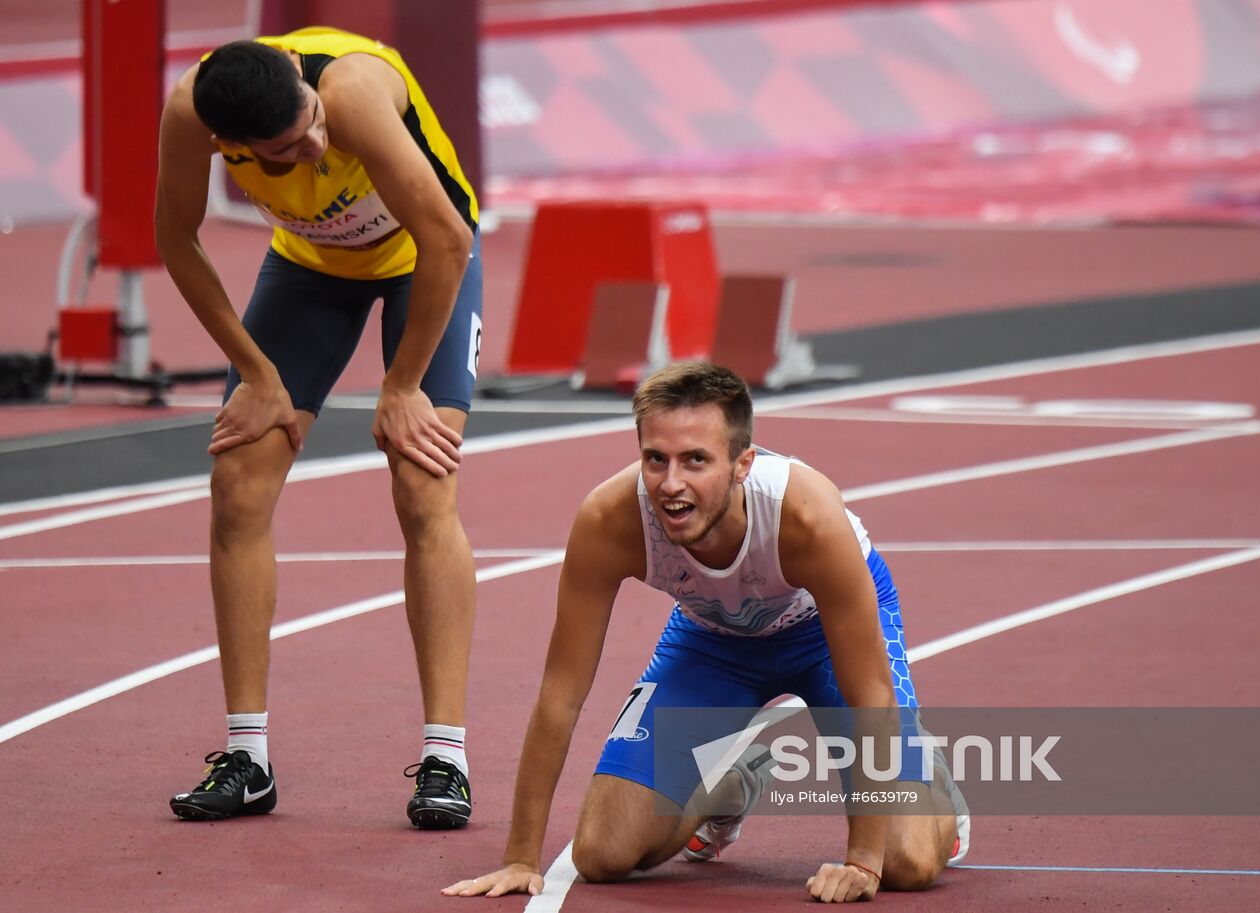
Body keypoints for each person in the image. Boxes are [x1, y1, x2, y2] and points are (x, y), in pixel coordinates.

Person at [442, 363, 970, 903]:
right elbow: (561, 691)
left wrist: (862, 862)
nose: (671, 485)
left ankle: (930, 784)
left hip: (821, 637)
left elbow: (871, 693)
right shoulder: (610, 520)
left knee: (904, 861)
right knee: (602, 852)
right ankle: (731, 781)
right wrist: (521, 857)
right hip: (711, 640)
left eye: (696, 460)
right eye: (655, 459)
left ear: (743, 464)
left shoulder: (807, 517)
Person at [154, 26, 482, 829]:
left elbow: (449, 238)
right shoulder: (189, 114)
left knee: (420, 479)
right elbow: (175, 236)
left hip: (423, 262)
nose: (317, 144)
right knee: (237, 483)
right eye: (289, 148)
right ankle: (247, 756)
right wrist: (257, 372)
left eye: (312, 124)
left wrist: (400, 385)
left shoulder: (351, 97)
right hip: (308, 268)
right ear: (231, 145)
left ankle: (446, 759)